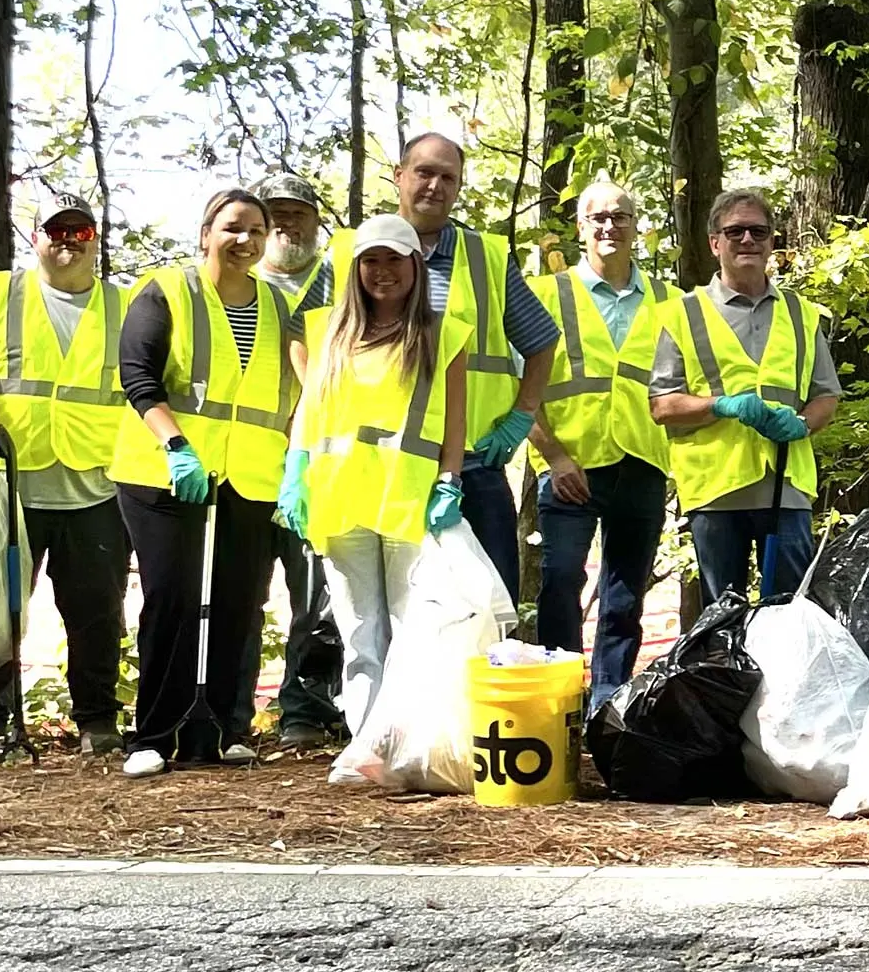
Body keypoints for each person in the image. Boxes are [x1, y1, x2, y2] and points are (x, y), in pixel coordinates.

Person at [303, 134, 559, 599]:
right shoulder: (348, 252)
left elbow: (542, 341)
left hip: (472, 467)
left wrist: (521, 418)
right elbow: (303, 339)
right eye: (424, 172)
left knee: (484, 606)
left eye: (448, 177)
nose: (435, 185)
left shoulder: (487, 258)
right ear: (399, 177)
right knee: (370, 620)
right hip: (371, 471)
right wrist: (321, 414)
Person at [111, 189, 303, 777]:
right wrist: (175, 446)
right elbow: (138, 373)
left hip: (250, 473)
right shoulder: (167, 289)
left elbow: (303, 386)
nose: (243, 240)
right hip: (167, 468)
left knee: (239, 600)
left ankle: (220, 728)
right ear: (205, 234)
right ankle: (154, 734)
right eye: (232, 228)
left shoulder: (279, 306)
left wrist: (299, 464)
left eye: (255, 230)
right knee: (170, 596)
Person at [278, 213, 469, 732]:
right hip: (340, 496)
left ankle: (410, 742)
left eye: (393, 259)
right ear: (355, 270)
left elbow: (455, 421)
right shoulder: (327, 332)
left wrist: (450, 481)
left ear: (415, 264)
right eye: (370, 261)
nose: (382, 271)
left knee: (413, 628)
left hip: (409, 498)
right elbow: (310, 411)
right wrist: (295, 474)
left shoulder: (442, 334)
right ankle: (367, 742)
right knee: (359, 631)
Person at [0, 197, 129, 756]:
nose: (69, 241)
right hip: (7, 484)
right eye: (56, 231)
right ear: (35, 236)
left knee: (97, 612)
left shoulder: (125, 305)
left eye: (81, 230)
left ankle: (97, 721)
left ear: (96, 238)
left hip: (97, 485)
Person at [650, 188, 841, 606]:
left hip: (786, 484)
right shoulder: (683, 313)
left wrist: (804, 423)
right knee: (724, 618)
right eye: (735, 232)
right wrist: (721, 406)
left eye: (759, 231)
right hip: (716, 491)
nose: (748, 240)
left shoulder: (801, 314)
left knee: (790, 614)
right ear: (715, 243)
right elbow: (662, 405)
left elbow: (826, 394)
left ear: (773, 241)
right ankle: (729, 675)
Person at [528, 179, 675, 715]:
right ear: (580, 227)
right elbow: (519, 391)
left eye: (621, 216)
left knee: (624, 595)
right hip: (569, 463)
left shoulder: (671, 303)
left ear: (637, 227)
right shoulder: (546, 294)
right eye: (598, 218)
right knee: (561, 579)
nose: (609, 226)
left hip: (641, 461)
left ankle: (607, 703)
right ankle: (560, 700)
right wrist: (554, 456)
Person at [249, 171, 346, 747]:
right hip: (238, 464)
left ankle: (305, 711)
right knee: (236, 594)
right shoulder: (232, 281)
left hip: (318, 460)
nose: (286, 224)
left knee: (318, 593)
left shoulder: (342, 280)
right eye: (273, 214)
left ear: (315, 221)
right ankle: (223, 710)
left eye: (297, 213)